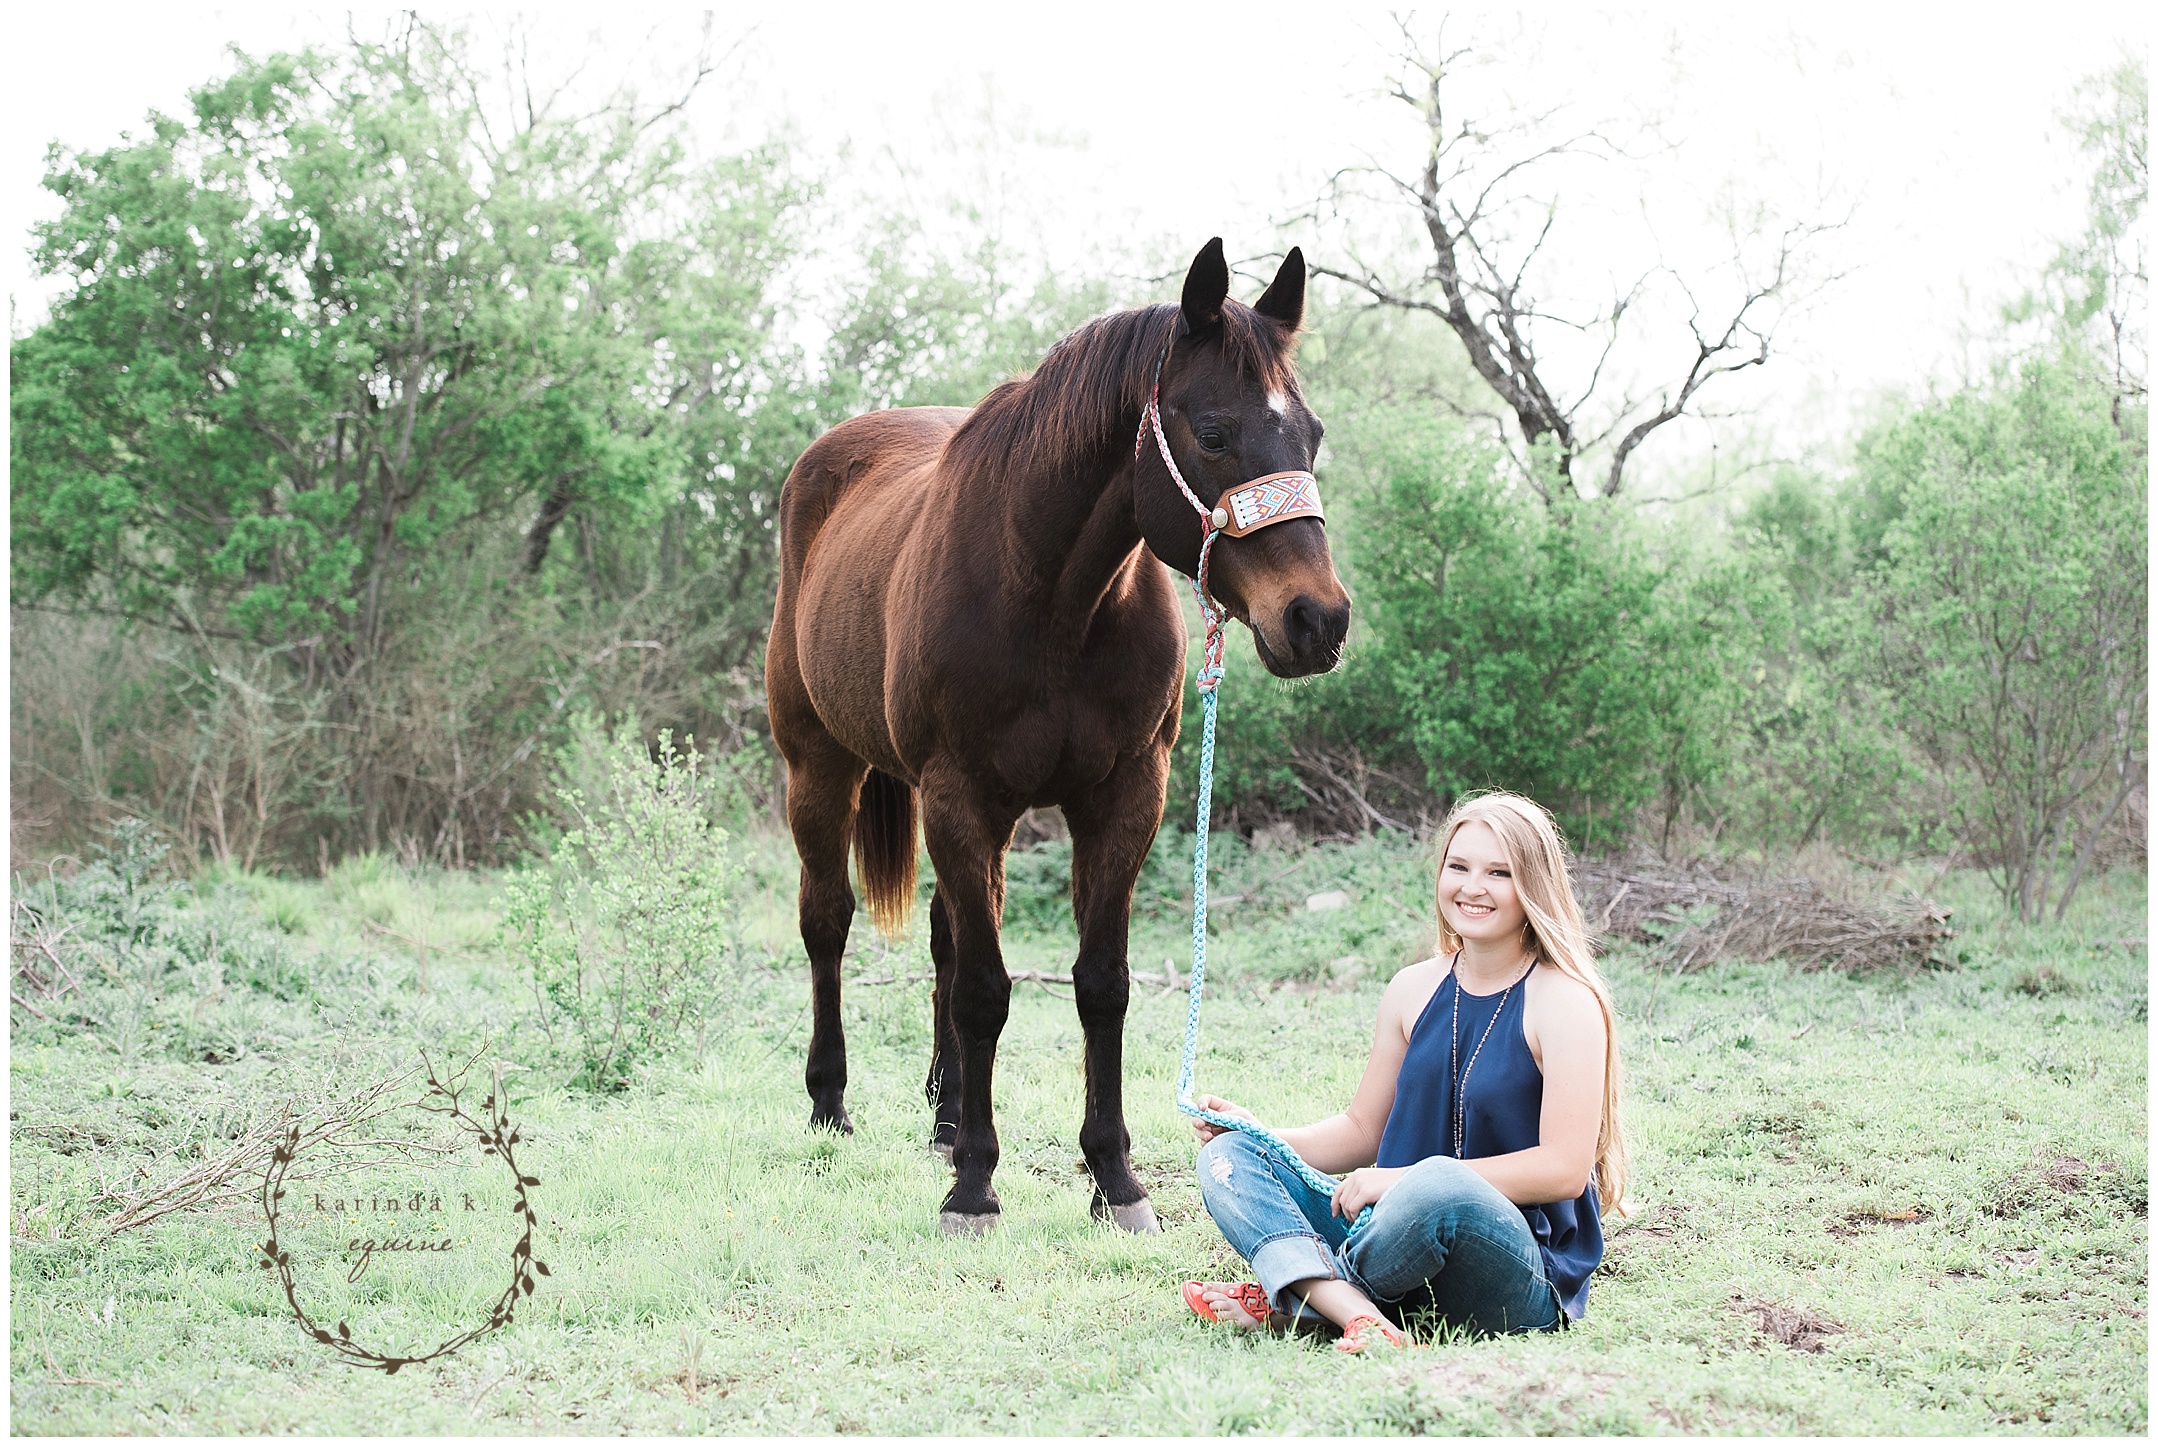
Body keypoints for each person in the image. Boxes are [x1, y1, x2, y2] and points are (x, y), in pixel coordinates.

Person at [1181, 791, 1628, 1352]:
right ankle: (1358, 1315)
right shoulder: (1411, 989)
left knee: (1439, 1184)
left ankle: (1298, 1300)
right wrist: (1257, 1134)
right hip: (1389, 1238)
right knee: (1229, 1158)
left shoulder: (1565, 1002)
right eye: (1458, 866)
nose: (1471, 887)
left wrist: (1402, 1182)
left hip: (1513, 1266)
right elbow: (1362, 1131)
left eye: (1499, 873)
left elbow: (1563, 1169)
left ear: (1533, 886)